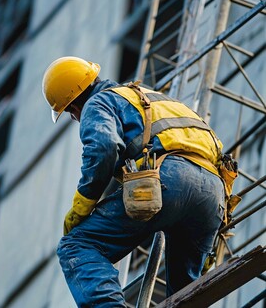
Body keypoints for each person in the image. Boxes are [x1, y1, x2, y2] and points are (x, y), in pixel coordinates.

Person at [42, 56, 225, 307]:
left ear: (73, 105)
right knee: (185, 295)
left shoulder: (99, 101)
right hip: (213, 194)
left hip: (168, 181)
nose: (74, 117)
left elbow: (104, 148)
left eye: (70, 112)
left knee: (76, 245)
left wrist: (82, 206)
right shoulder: (153, 97)